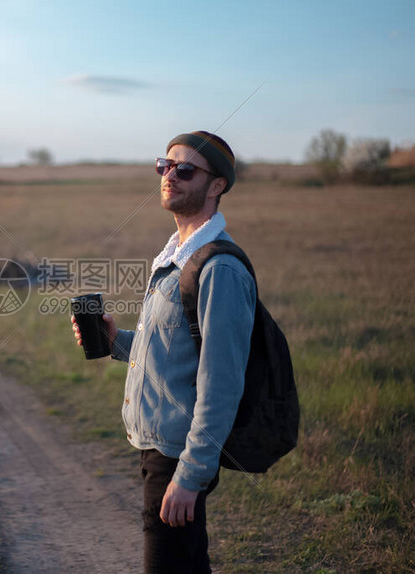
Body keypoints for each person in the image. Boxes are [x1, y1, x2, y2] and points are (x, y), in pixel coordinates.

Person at [71, 131, 256, 573]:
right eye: (165, 165)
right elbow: (172, 350)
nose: (169, 176)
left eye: (185, 169)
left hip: (177, 455)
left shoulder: (219, 270)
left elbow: (222, 383)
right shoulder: (176, 260)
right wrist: (116, 340)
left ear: (216, 186)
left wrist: (190, 476)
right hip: (157, 447)